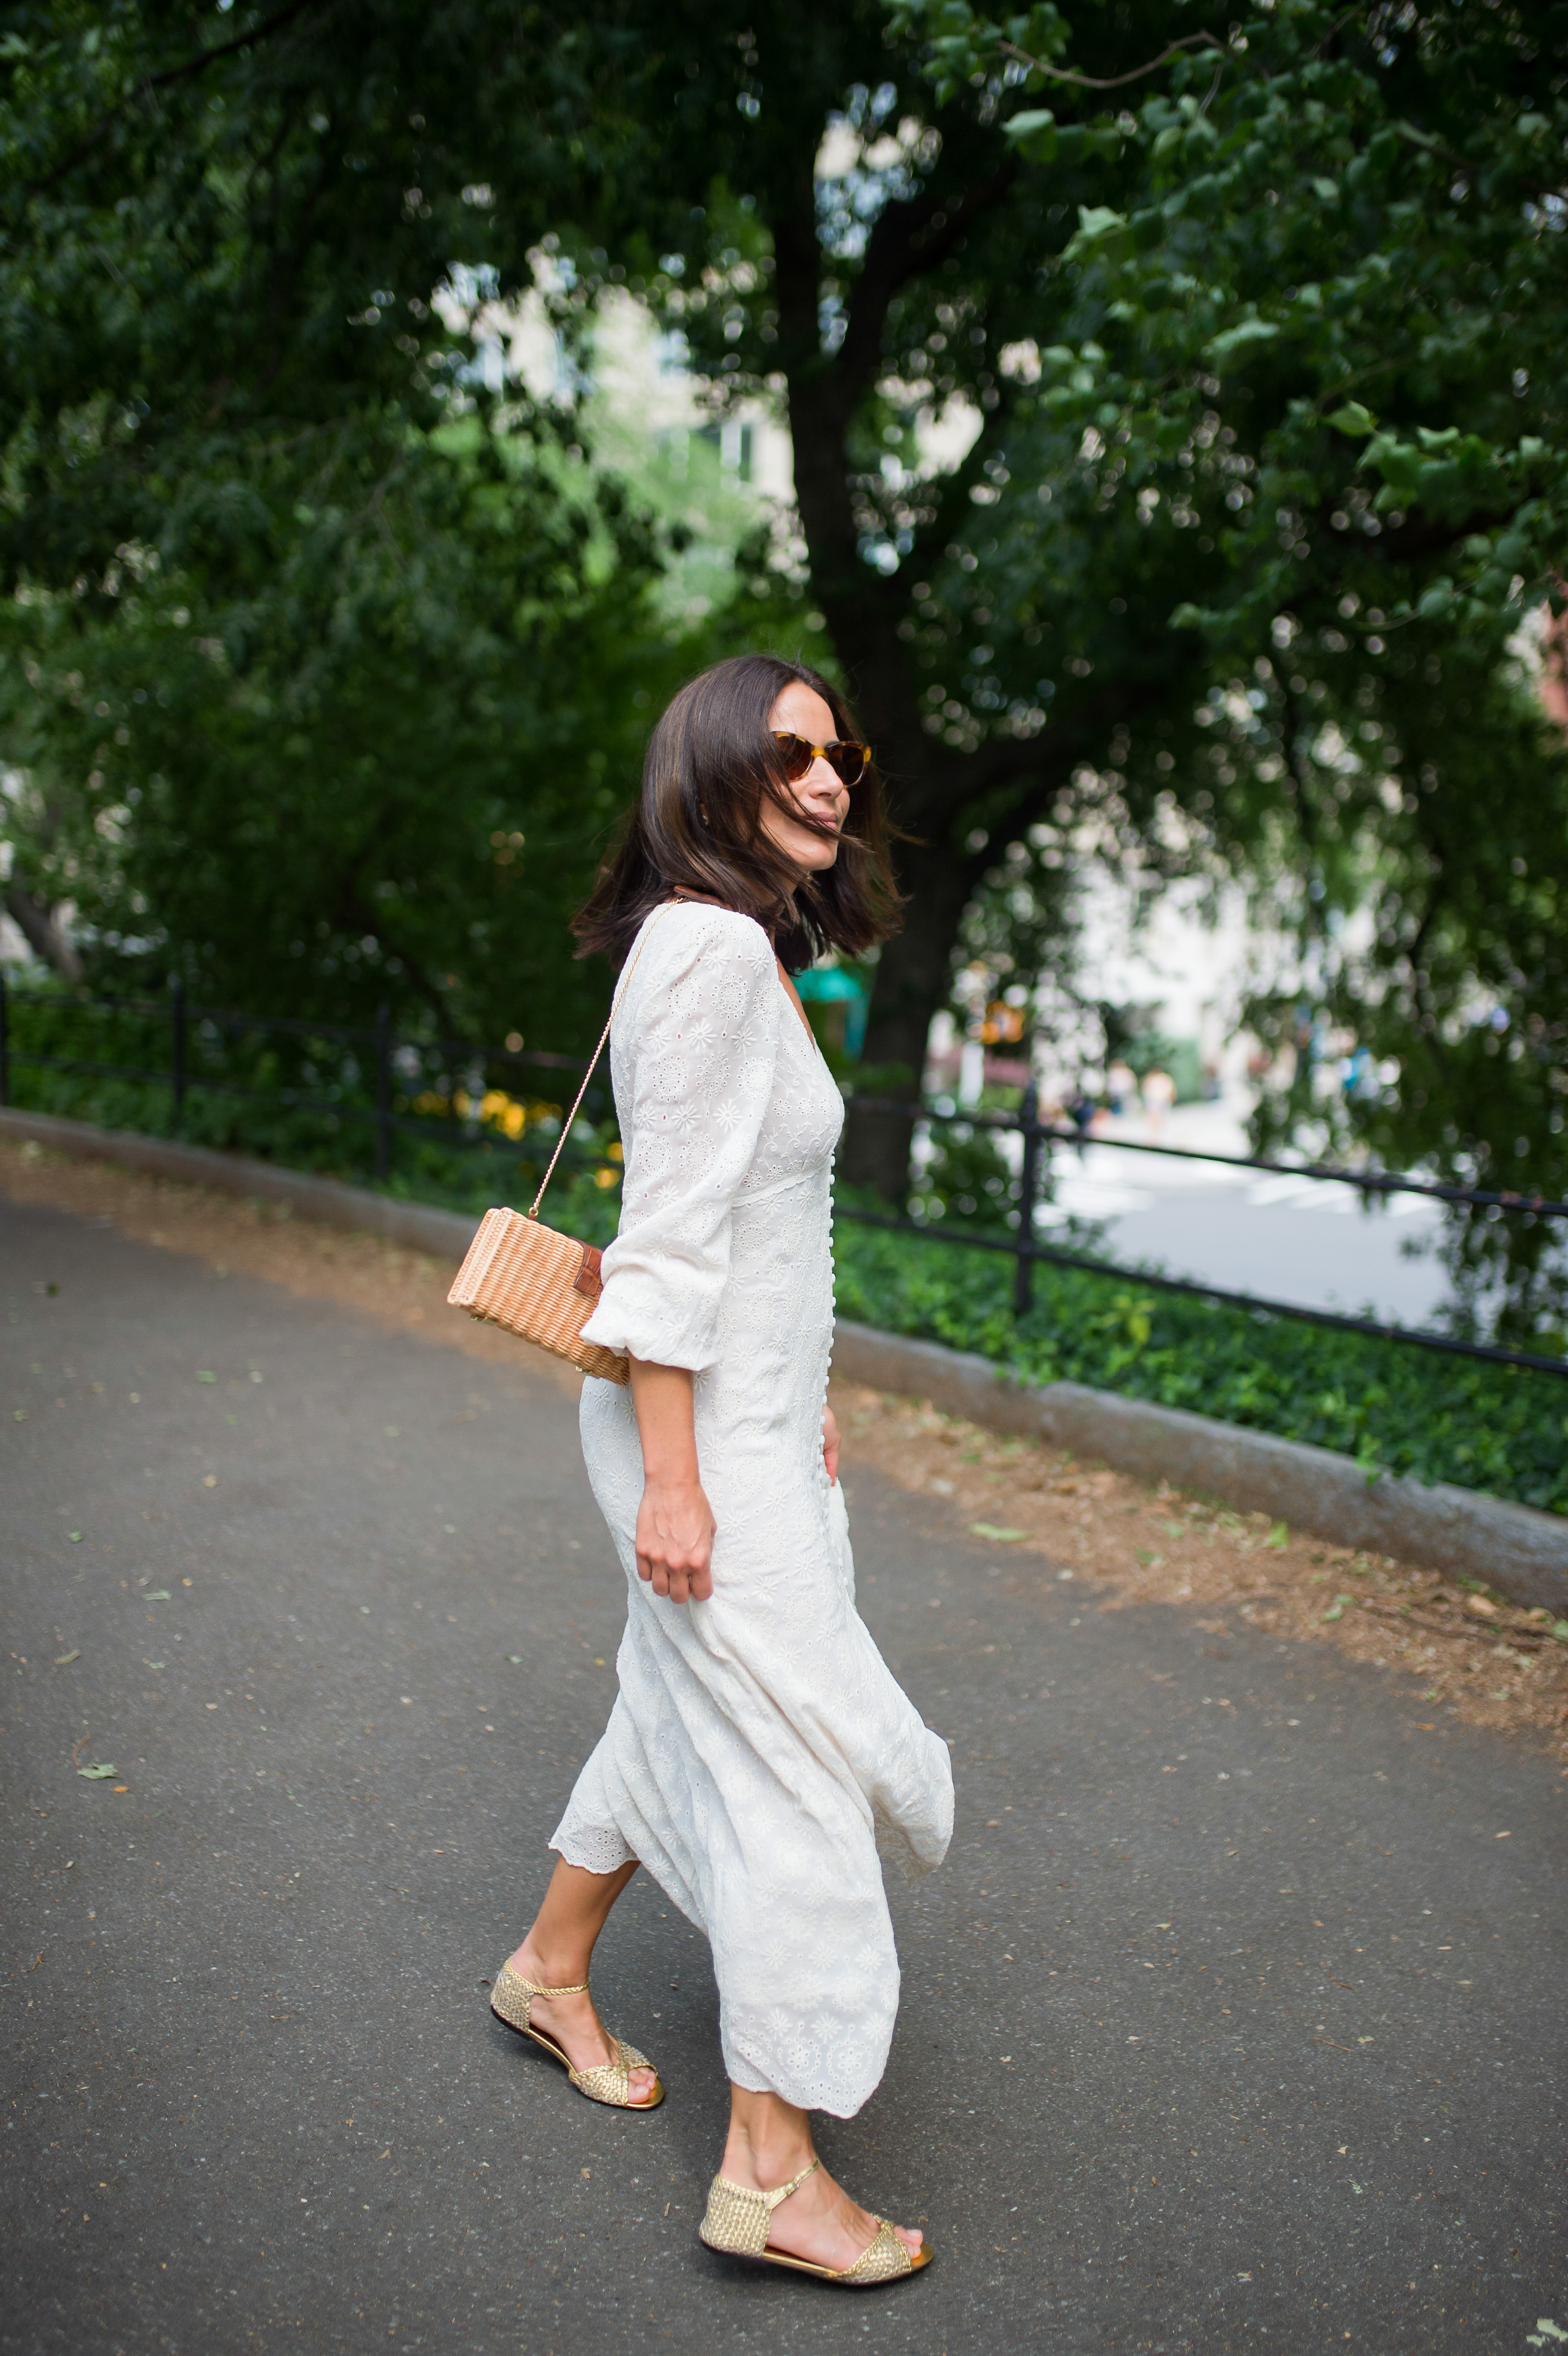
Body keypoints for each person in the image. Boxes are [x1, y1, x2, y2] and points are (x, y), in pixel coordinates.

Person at [490, 654, 953, 2287]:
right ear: (710, 770)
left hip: (743, 1421)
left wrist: (797, 1391)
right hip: (698, 1445)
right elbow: (670, 1252)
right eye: (791, 755)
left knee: (676, 1700)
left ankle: (550, 1969)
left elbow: (758, 1231)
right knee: (791, 1777)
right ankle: (769, 2174)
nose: (831, 781)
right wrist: (682, 1485)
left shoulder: (736, 952)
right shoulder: (702, 952)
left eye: (843, 755)